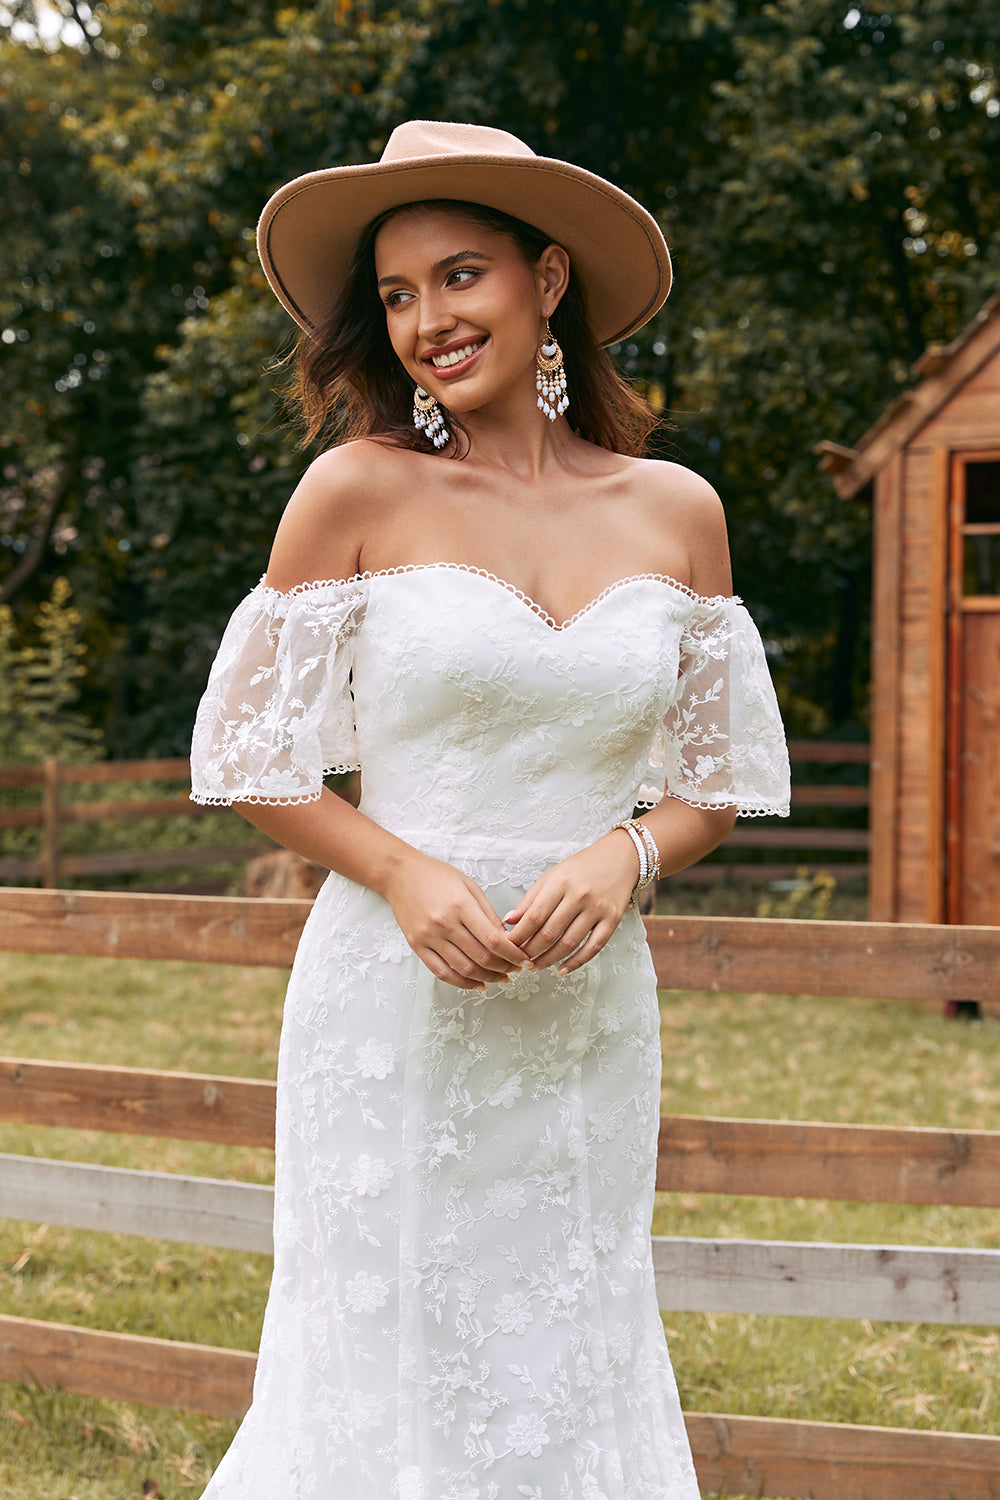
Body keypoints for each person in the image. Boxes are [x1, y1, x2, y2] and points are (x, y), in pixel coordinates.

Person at [190, 119, 790, 1500]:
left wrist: (631, 854)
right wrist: (401, 876)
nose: (425, 322)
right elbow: (249, 756)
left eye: (459, 277)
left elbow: (720, 780)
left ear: (549, 277)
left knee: (570, 1326)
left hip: (585, 1008)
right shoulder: (355, 489)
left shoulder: (677, 509)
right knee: (386, 1335)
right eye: (396, 296)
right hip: (392, 997)